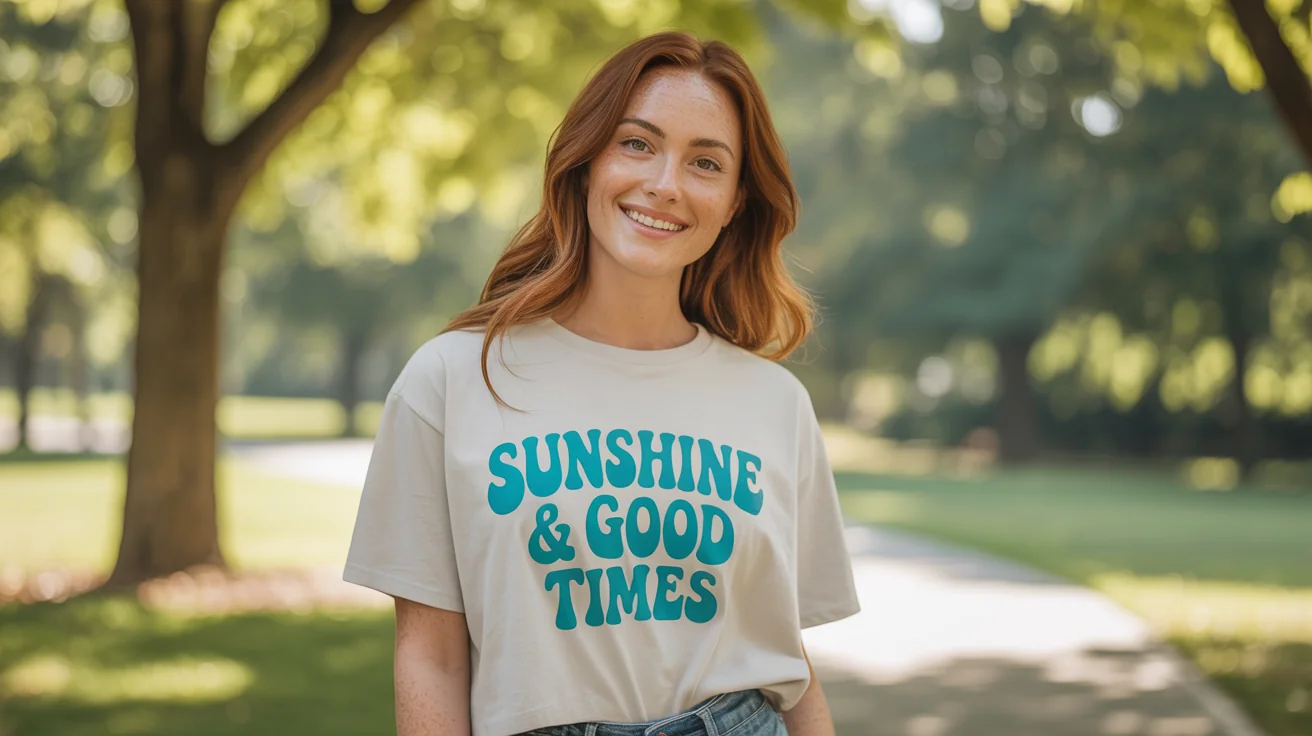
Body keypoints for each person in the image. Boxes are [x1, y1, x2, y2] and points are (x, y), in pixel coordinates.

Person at [343, 30, 860, 736]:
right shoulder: (452, 381)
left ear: (736, 200)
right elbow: (430, 656)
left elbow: (782, 655)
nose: (665, 184)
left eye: (705, 162)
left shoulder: (776, 406)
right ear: (586, 162)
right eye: (637, 144)